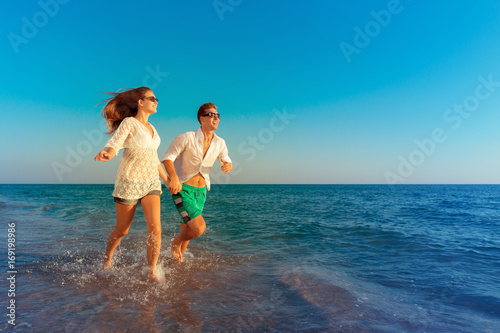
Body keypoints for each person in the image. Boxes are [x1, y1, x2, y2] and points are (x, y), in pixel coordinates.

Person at [94, 87, 170, 281]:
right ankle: (107, 259)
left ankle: (152, 271)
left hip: (151, 182)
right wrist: (108, 153)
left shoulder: (154, 129)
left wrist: (168, 181)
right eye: (152, 98)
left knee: (156, 228)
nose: (156, 101)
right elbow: (116, 142)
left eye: (157, 98)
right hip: (129, 181)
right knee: (122, 230)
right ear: (140, 102)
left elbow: (154, 159)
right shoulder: (130, 123)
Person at [162, 102, 232, 262]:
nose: (216, 118)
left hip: (201, 192)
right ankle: (175, 241)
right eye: (212, 115)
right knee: (198, 228)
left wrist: (228, 165)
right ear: (202, 118)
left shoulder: (220, 142)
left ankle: (176, 264)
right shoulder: (186, 137)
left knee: (187, 227)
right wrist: (173, 177)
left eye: (218, 115)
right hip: (183, 189)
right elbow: (167, 158)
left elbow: (226, 159)